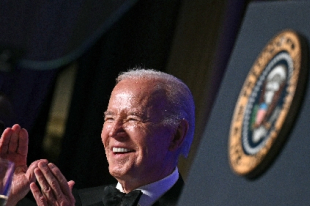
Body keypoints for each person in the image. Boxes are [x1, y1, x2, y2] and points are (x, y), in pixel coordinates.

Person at [23, 68, 195, 206]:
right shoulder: (75, 202)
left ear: (176, 135)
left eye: (133, 119)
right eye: (110, 118)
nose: (113, 131)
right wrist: (5, 191)